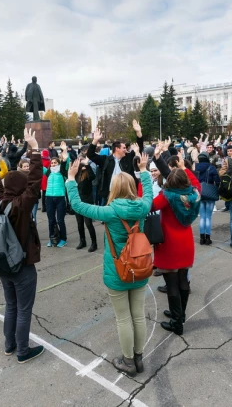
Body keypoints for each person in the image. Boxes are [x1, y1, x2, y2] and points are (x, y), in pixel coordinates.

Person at [66, 154, 152, 377]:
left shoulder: (110, 211)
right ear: (132, 187)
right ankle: (139, 357)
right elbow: (149, 193)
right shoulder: (142, 207)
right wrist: (143, 170)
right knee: (138, 314)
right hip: (140, 266)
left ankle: (128, 361)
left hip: (118, 271)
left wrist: (70, 179)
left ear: (115, 188)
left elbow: (77, 205)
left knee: (123, 317)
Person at [0, 128, 45, 363]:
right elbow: (34, 181)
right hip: (21, 264)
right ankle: (22, 351)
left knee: (11, 305)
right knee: (23, 309)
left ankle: (9, 345)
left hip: (3, 262)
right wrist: (35, 151)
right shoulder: (21, 205)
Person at [151, 159, 201, 336]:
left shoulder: (167, 196)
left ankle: (176, 322)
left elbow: (150, 206)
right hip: (186, 242)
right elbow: (196, 183)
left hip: (170, 244)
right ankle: (180, 313)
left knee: (171, 283)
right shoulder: (194, 194)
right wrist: (184, 168)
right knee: (182, 280)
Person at [86, 120, 144, 206]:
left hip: (126, 194)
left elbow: (140, 147)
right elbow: (90, 154)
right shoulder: (105, 160)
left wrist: (139, 132)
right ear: (117, 149)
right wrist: (95, 140)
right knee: (111, 217)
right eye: (124, 148)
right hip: (110, 194)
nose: (126, 149)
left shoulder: (128, 158)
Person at [44, 142, 70, 247]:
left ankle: (63, 239)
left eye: (55, 163)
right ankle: (52, 238)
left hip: (60, 198)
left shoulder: (62, 171)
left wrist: (64, 150)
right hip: (49, 197)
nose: (53, 164)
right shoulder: (48, 172)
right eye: (52, 163)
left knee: (60, 220)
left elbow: (66, 161)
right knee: (51, 220)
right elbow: (37, 166)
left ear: (58, 164)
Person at [73, 154, 97, 252]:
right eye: (80, 162)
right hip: (78, 201)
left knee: (88, 223)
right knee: (79, 223)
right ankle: (82, 241)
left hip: (87, 202)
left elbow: (93, 176)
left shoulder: (88, 174)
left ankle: (94, 243)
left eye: (83, 162)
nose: (82, 165)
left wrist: (87, 165)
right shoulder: (76, 175)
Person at [195, 153, 219, 245]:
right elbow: (217, 180)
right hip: (209, 194)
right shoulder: (211, 168)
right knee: (208, 217)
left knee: (202, 217)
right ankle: (208, 238)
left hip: (199, 193)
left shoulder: (196, 168)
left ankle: (201, 238)